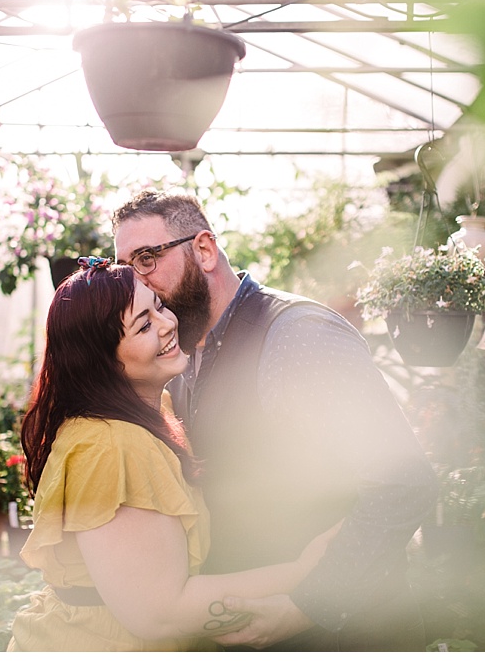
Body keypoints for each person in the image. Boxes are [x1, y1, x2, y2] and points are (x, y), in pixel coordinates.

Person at [112, 191, 439, 651]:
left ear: (204, 249)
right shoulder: (182, 353)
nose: (136, 281)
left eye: (147, 258)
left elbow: (405, 484)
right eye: (125, 268)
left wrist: (307, 605)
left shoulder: (297, 337)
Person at [6, 257, 339, 652]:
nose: (167, 324)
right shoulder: (109, 446)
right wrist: (303, 572)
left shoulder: (149, 412)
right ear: (103, 361)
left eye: (158, 306)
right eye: (143, 325)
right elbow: (159, 612)